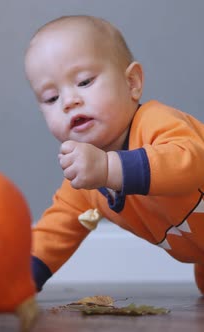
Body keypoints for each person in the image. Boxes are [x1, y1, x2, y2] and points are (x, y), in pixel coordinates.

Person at [24, 14, 204, 292]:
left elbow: (191, 162)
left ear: (132, 82)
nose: (69, 101)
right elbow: (56, 232)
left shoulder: (154, 123)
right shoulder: (86, 186)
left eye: (84, 82)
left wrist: (109, 167)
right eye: (51, 98)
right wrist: (17, 282)